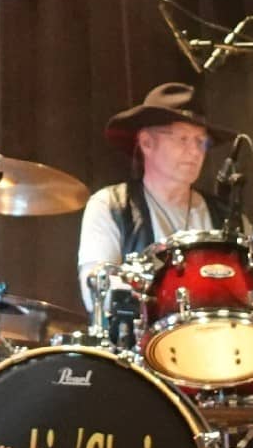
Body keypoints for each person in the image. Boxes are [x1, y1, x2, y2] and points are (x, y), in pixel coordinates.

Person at [75, 83, 240, 312]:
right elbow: (96, 292)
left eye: (201, 142)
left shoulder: (226, 217)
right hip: (139, 345)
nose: (195, 152)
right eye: (183, 139)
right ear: (147, 143)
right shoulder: (111, 206)